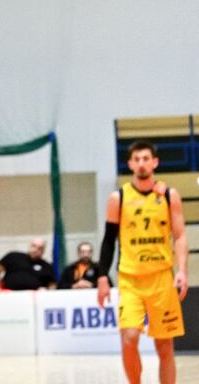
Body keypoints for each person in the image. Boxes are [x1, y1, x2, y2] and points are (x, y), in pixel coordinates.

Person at [96, 140, 188, 384]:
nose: (141, 164)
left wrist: (182, 271)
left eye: (146, 159)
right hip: (130, 280)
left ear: (155, 162)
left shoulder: (169, 195)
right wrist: (102, 276)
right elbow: (108, 240)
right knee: (129, 338)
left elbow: (179, 236)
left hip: (162, 278)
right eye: (136, 159)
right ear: (130, 164)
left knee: (165, 345)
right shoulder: (118, 198)